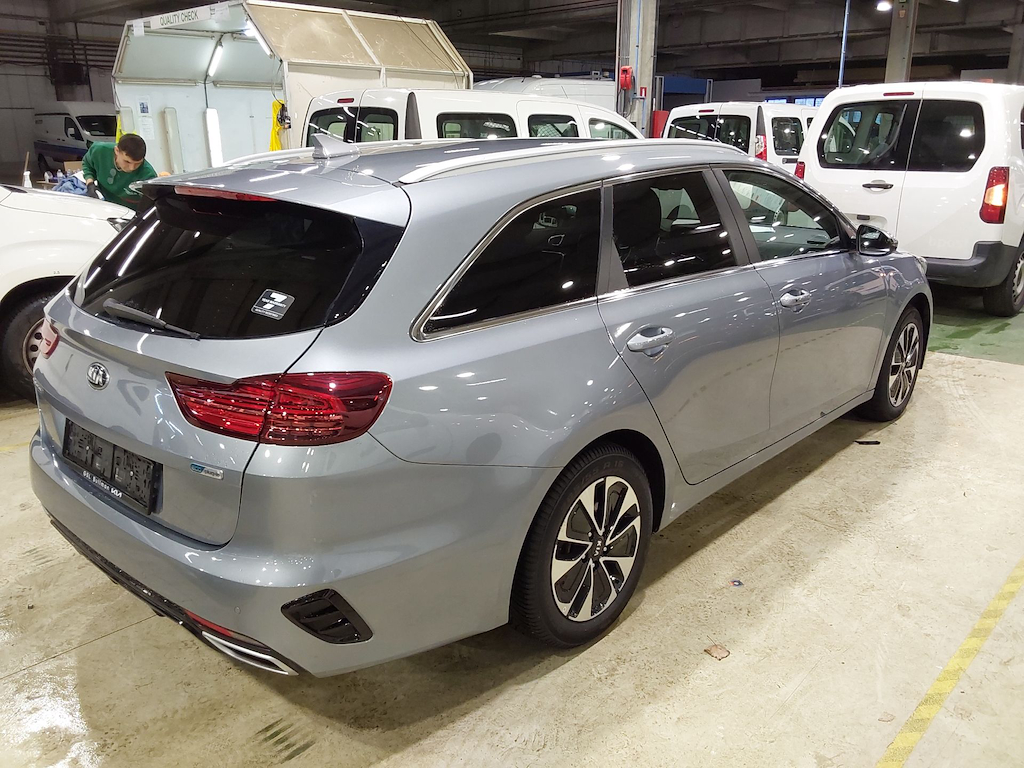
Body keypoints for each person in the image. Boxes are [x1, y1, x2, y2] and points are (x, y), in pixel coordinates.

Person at [82, 133, 157, 209]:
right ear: (117, 151)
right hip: (103, 202)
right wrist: (90, 183)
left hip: (130, 209)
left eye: (138, 164)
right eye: (127, 162)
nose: (132, 168)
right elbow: (87, 164)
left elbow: (152, 202)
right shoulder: (99, 151)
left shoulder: (148, 176)